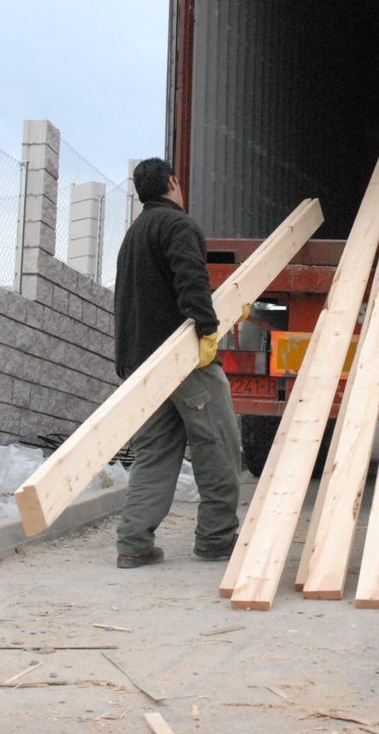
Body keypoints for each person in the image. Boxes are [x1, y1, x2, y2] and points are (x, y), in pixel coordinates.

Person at [112, 157, 243, 569]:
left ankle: (133, 544)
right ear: (172, 182)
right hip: (181, 359)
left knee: (155, 452)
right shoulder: (177, 225)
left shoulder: (134, 234)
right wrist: (207, 330)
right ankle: (216, 539)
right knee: (217, 444)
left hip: (139, 364)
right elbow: (191, 279)